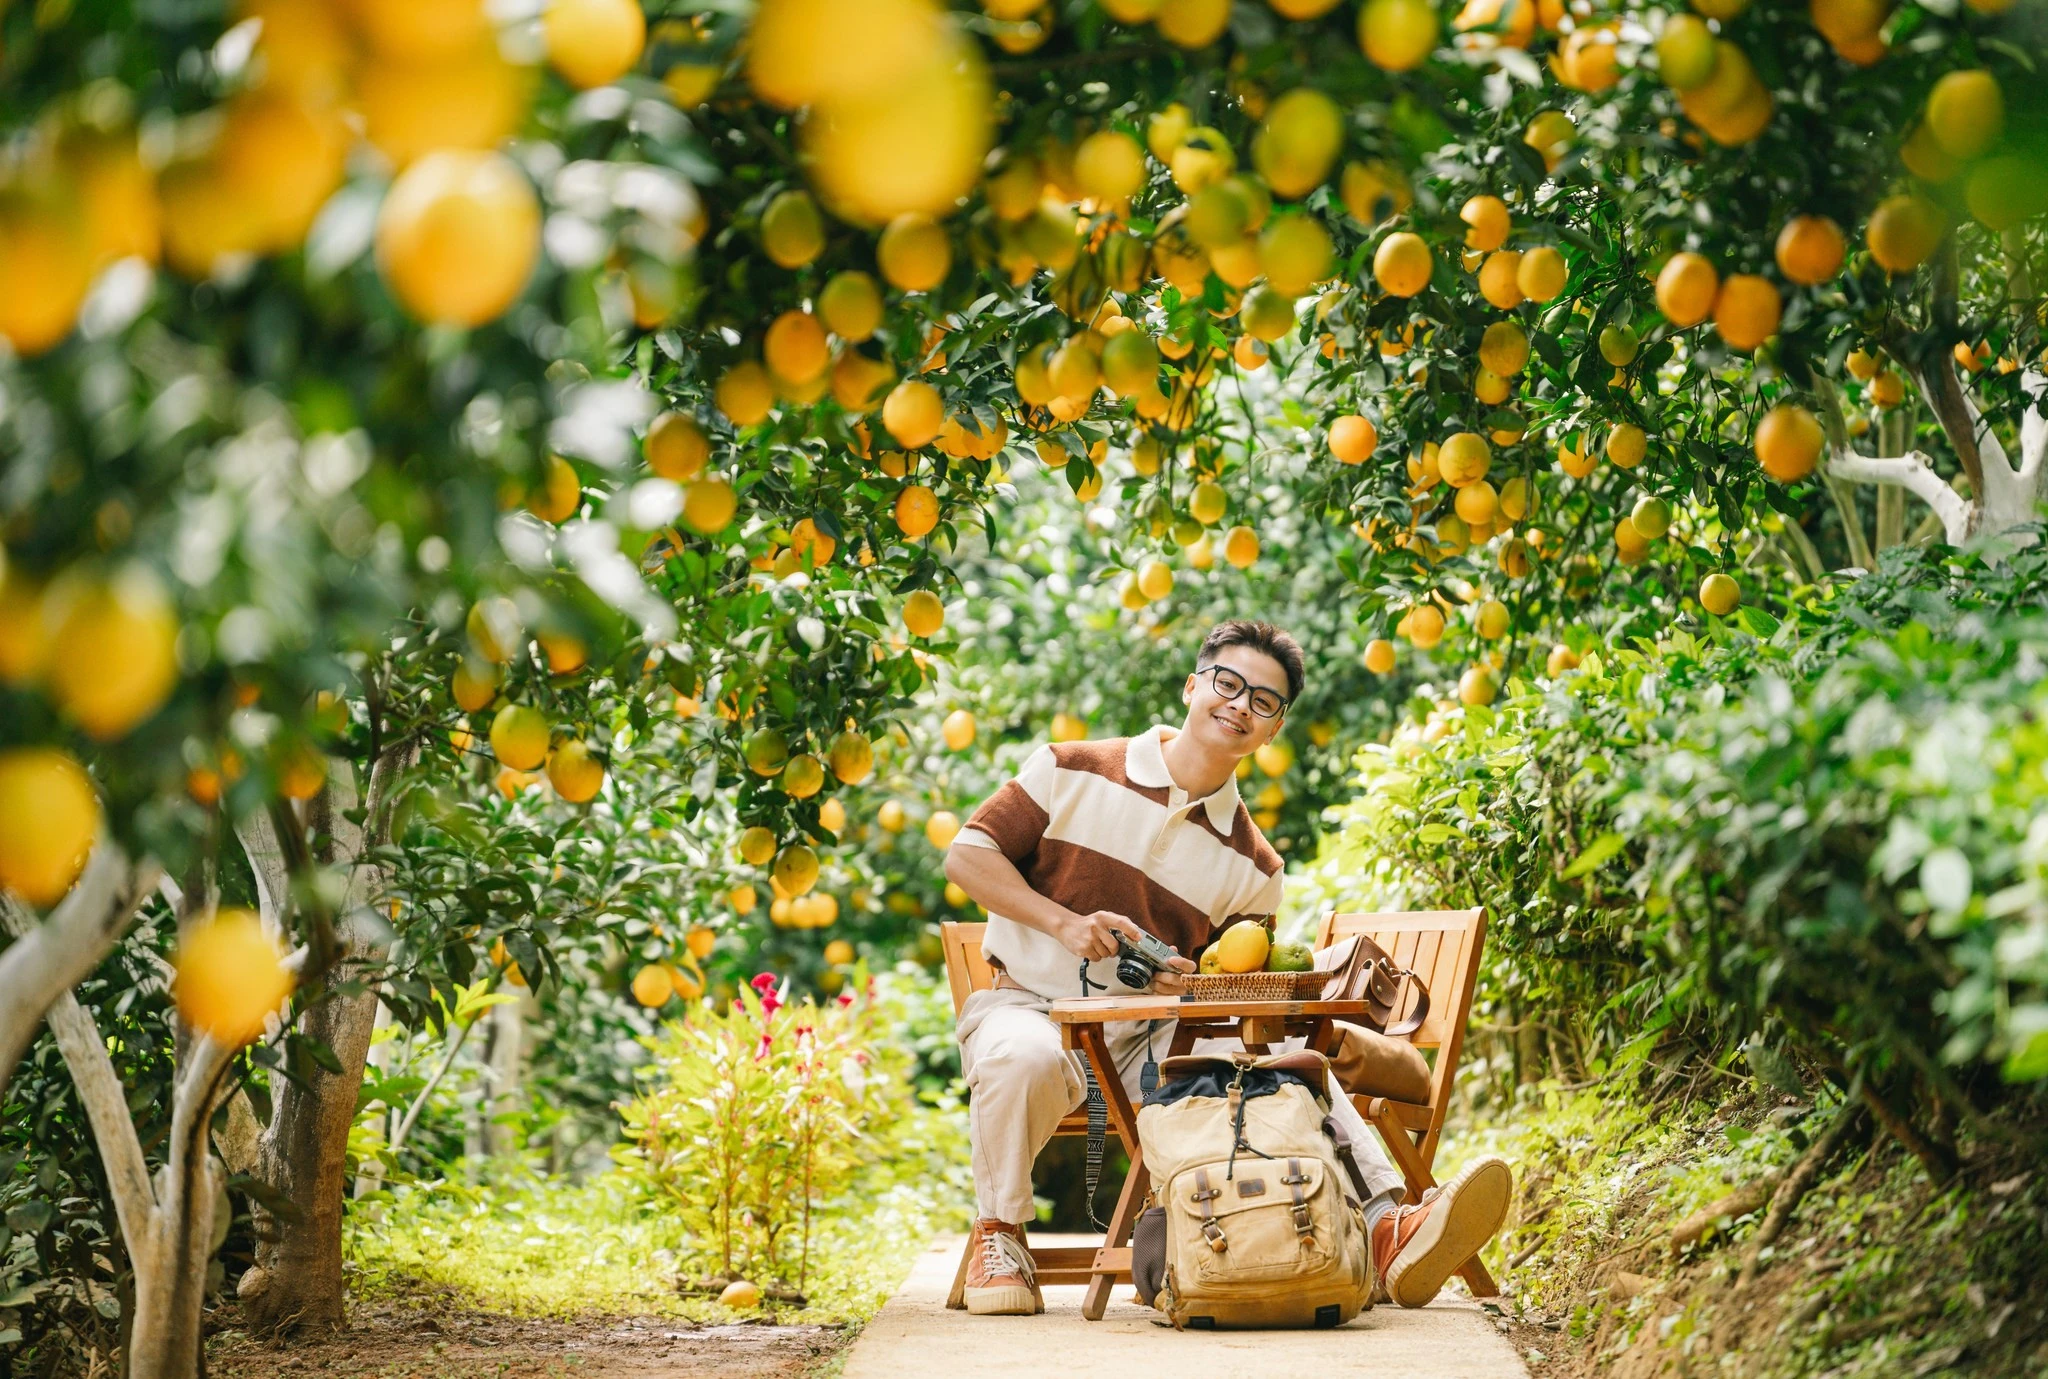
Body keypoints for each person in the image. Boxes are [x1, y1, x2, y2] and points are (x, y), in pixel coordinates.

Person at [943, 619, 1512, 1317]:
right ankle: (1000, 1235)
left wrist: (1190, 981)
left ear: (1274, 729)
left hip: (1151, 1037)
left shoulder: (1257, 867)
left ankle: (1388, 1226)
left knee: (1275, 1059)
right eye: (1228, 683)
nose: (1241, 705)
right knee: (1022, 1057)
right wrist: (1064, 923)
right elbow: (966, 856)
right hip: (1027, 1004)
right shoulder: (1070, 767)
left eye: (1263, 701)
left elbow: (1232, 996)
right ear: (1193, 686)